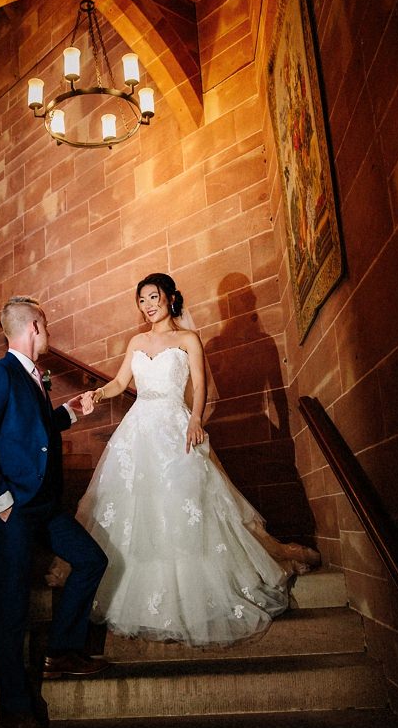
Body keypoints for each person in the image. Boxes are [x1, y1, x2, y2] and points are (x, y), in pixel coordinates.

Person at [78, 273, 320, 648]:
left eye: (153, 297)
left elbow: (202, 389)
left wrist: (193, 420)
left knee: (182, 507)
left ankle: (195, 592)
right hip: (138, 432)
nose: (147, 305)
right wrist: (99, 393)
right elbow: (120, 382)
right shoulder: (137, 341)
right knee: (137, 510)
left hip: (177, 427)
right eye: (141, 300)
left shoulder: (189, 339)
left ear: (171, 297)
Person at [0, 296, 110, 728]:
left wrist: (69, 412)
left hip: (44, 505)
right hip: (15, 509)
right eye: (45, 325)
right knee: (12, 608)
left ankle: (62, 649)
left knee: (90, 561)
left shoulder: (33, 379)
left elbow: (34, 430)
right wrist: (1, 501)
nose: (49, 333)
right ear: (33, 328)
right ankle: (16, 709)